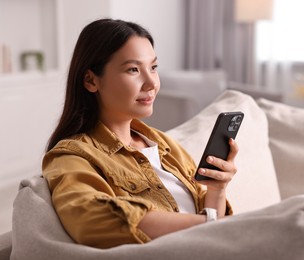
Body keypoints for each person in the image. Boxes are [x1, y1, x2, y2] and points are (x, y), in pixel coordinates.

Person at [43, 18, 238, 248]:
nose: (151, 83)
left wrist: (216, 189)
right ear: (91, 80)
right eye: (133, 69)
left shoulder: (165, 145)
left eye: (153, 68)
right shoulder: (72, 156)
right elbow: (88, 218)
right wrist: (207, 224)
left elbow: (213, 236)